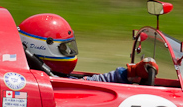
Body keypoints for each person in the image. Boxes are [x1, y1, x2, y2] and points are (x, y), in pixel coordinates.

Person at [18, 13, 158, 83]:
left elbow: (89, 81)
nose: (69, 52)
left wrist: (129, 72)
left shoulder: (54, 77)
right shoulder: (43, 81)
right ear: (42, 46)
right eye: (63, 48)